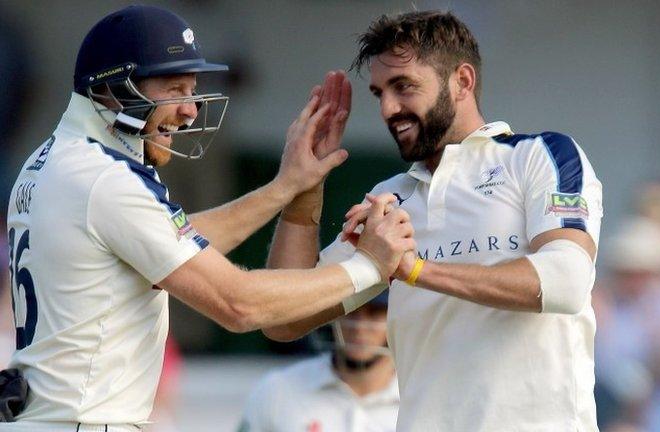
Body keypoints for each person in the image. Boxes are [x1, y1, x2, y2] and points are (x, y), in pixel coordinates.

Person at [3, 5, 415, 429]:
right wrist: (368, 266)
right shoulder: (106, 180)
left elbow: (174, 239)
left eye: (192, 89)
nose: (190, 109)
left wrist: (283, 188)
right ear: (114, 88)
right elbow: (237, 304)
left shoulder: (54, 160)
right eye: (175, 87)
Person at [264, 10, 603, 431]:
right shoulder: (390, 200)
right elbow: (282, 318)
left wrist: (414, 269)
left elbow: (566, 281)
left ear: (462, 81)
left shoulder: (538, 155)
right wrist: (303, 189)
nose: (389, 108)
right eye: (379, 93)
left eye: (404, 86)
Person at [238, 291, 398, 432]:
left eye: (375, 312)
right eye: (351, 310)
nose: (359, 328)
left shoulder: (417, 397)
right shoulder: (278, 390)